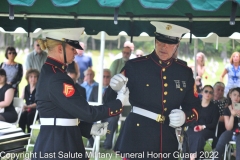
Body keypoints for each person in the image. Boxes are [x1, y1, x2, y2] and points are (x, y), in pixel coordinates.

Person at [109, 21, 201, 159]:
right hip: (137, 136)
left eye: (169, 43)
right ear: (155, 40)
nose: (164, 47)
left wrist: (185, 117)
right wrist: (114, 89)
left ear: (177, 45)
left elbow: (195, 108)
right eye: (160, 41)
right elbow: (109, 100)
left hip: (168, 138)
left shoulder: (184, 72)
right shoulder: (135, 66)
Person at [32, 34, 129, 160]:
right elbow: (87, 112)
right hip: (60, 146)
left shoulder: (51, 72)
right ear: (60, 49)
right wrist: (118, 103)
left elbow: (60, 114)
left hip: (57, 141)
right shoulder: (57, 77)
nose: (76, 53)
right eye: (72, 49)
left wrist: (88, 128)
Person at [186, 85, 219, 159]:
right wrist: (195, 126)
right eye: (206, 91)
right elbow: (191, 118)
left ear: (212, 95)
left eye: (210, 92)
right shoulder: (196, 106)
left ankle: (193, 157)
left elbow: (214, 124)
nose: (208, 94)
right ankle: (189, 157)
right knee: (188, 135)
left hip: (207, 129)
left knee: (199, 136)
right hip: (193, 127)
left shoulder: (214, 108)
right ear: (202, 93)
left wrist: (202, 127)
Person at [89, 69, 118, 149]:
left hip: (108, 114)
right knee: (85, 117)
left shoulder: (114, 90)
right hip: (96, 113)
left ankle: (107, 145)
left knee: (113, 119)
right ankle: (92, 143)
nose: (105, 79)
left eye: (107, 77)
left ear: (111, 78)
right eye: (103, 77)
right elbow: (90, 101)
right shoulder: (95, 89)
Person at [213, 87, 240, 160]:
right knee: (221, 141)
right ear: (230, 95)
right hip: (231, 131)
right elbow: (228, 128)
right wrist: (232, 115)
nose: (236, 97)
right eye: (234, 95)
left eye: (239, 96)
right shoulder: (227, 109)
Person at [19, 69, 39, 133]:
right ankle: (22, 134)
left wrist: (28, 107)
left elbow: (38, 103)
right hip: (27, 108)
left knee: (30, 116)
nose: (33, 78)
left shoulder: (39, 88)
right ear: (27, 78)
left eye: (35, 77)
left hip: (37, 110)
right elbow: (21, 100)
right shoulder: (25, 88)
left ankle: (29, 134)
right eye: (31, 77)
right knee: (22, 115)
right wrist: (23, 106)